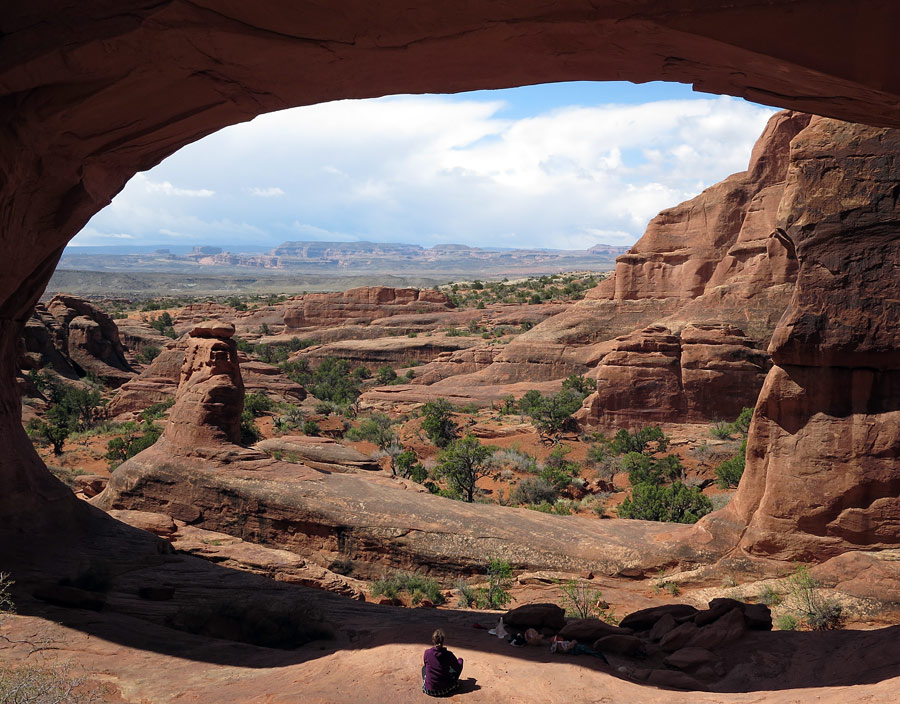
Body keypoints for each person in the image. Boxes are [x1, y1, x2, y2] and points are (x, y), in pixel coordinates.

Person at [422, 628, 463, 697]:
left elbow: (426, 665)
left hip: (429, 690)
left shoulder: (427, 653)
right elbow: (458, 668)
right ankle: (453, 684)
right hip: (444, 689)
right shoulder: (448, 654)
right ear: (443, 641)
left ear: (433, 640)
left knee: (424, 668)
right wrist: (460, 660)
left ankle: (429, 682)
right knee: (455, 668)